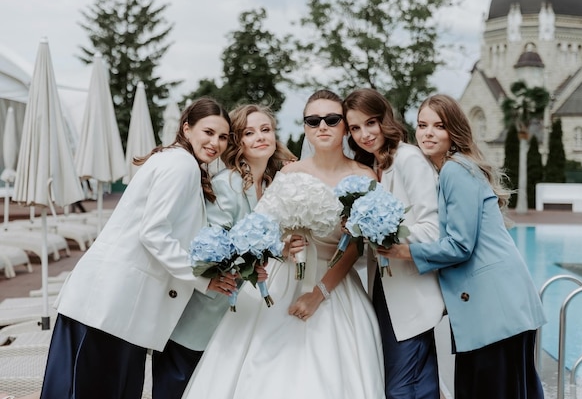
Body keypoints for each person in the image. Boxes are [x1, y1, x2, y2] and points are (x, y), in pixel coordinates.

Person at [182, 90, 385, 399]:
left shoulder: (364, 175)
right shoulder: (289, 172)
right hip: (282, 280)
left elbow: (356, 247)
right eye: (313, 121)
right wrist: (283, 243)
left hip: (334, 285)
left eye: (332, 119)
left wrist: (319, 294)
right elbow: (260, 230)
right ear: (305, 127)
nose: (323, 127)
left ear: (345, 125)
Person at [40, 97, 237, 399]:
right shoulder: (181, 165)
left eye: (223, 137)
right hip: (114, 306)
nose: (215, 143)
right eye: (208, 132)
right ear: (187, 128)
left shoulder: (173, 159)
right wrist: (202, 279)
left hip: (104, 303)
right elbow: (154, 232)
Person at [377, 94, 547, 399]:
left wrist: (407, 251)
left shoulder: (456, 170)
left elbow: (460, 245)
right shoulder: (452, 170)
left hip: (494, 309)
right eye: (422, 125)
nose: (428, 133)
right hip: (500, 307)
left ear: (454, 130)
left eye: (438, 126)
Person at [153, 104, 292, 398]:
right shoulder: (226, 185)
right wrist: (249, 264)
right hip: (201, 315)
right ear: (238, 142)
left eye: (265, 130)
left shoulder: (272, 185)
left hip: (243, 317)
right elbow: (208, 250)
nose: (259, 138)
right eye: (249, 133)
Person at [343, 88, 445, 399]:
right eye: (355, 128)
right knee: (416, 386)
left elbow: (433, 229)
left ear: (384, 119)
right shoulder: (371, 168)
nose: (364, 134)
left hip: (412, 295)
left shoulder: (408, 158)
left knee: (401, 390)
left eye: (370, 123)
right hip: (384, 293)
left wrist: (389, 238)